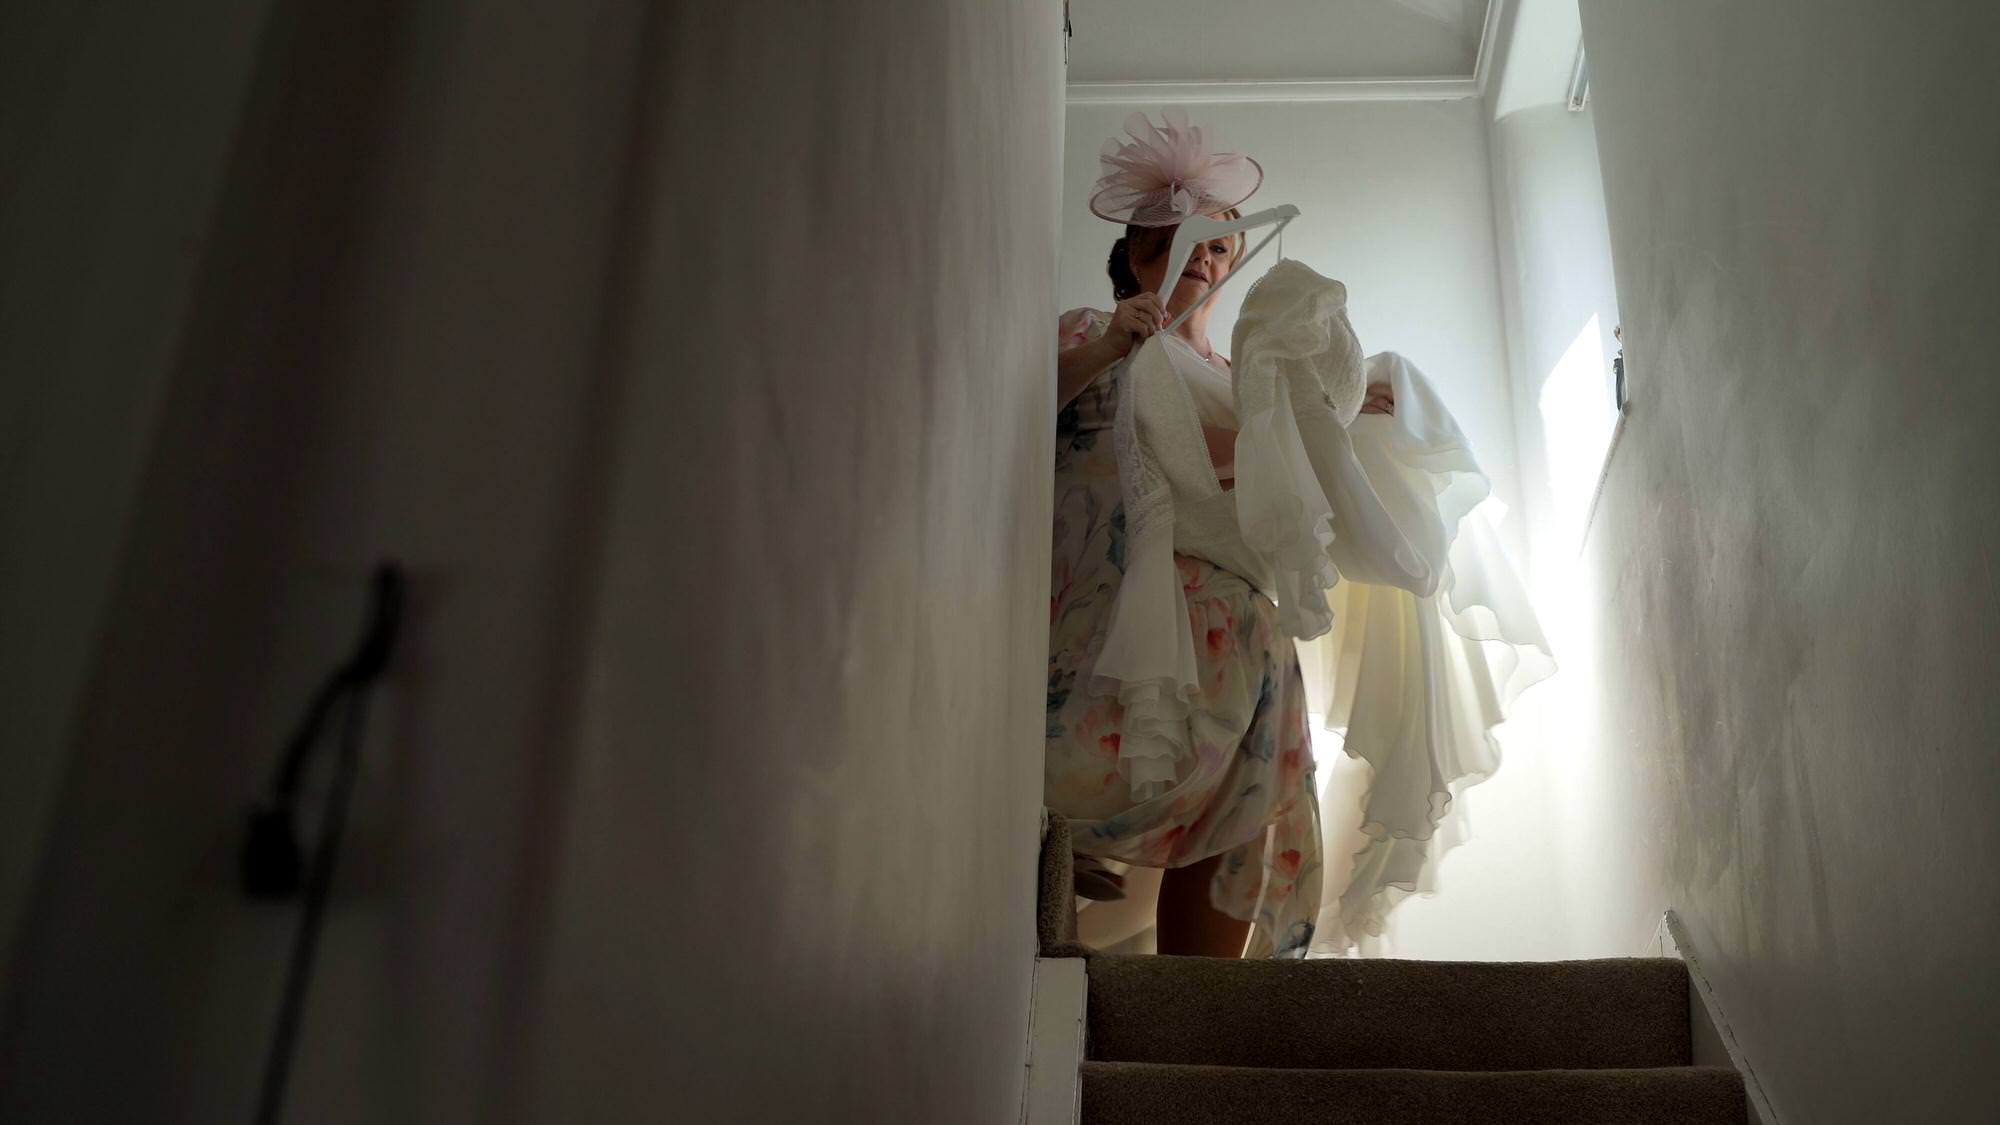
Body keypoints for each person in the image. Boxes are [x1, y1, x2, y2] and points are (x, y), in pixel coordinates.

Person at [1044, 111, 1392, 958]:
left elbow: (1269, 489)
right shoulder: (1088, 331)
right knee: (1076, 778)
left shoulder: (1243, 380)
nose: (1201, 256)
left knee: (1241, 818)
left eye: (1217, 247)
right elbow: (1007, 424)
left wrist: (1334, 423)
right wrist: (1107, 353)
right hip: (1106, 622)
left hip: (1242, 649)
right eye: (1177, 240)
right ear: (1135, 252)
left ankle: (1195, 1014)